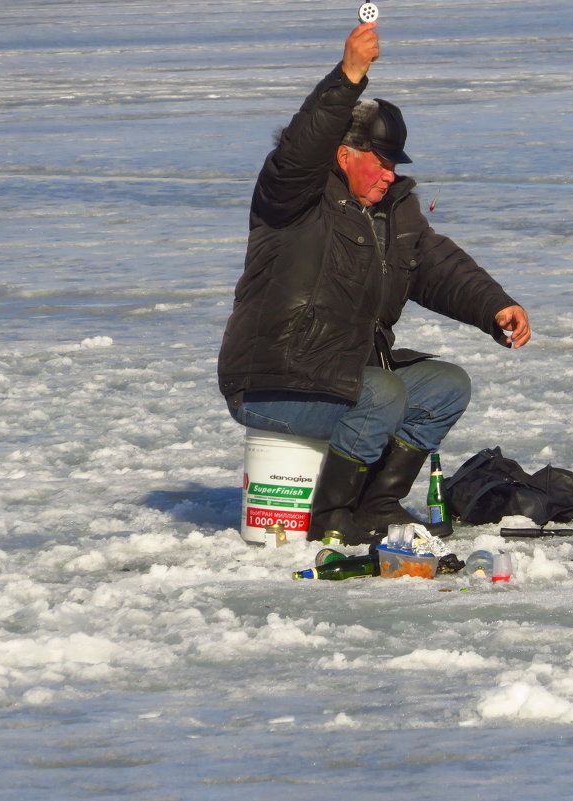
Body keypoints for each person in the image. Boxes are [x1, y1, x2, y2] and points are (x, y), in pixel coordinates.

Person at [218, 21, 530, 545]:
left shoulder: (395, 212)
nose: (390, 174)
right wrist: (349, 75)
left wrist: (496, 306)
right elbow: (301, 148)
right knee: (381, 393)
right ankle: (330, 515)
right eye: (381, 163)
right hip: (275, 378)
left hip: (342, 376)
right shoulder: (294, 199)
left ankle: (378, 504)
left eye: (394, 166)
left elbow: (435, 266)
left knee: (445, 386)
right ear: (345, 154)